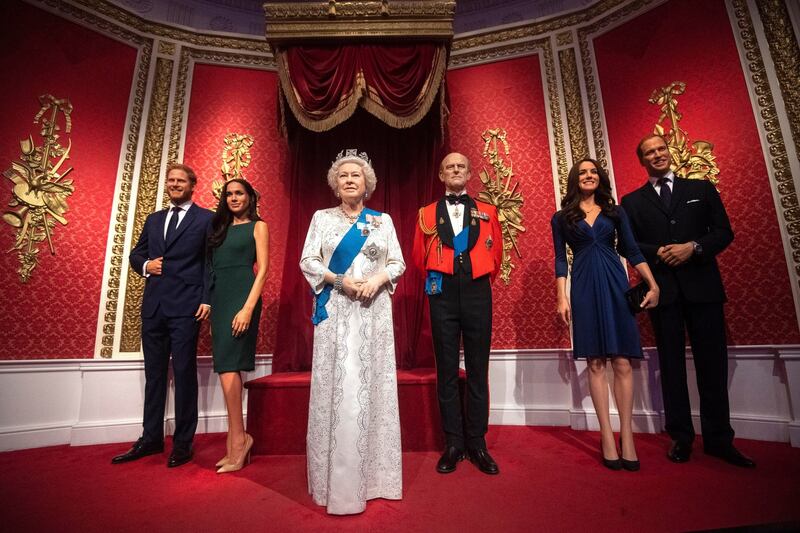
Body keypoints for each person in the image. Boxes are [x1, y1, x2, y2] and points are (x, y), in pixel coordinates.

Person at [620, 134, 755, 467]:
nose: (657, 155)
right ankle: (680, 437)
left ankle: (720, 439)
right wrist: (661, 252)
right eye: (649, 153)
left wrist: (692, 248)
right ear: (642, 161)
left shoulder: (701, 189)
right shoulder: (632, 201)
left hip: (704, 290)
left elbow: (723, 232)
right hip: (662, 293)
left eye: (661, 149)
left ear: (670, 152)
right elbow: (627, 244)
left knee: (713, 366)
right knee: (671, 367)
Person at [300, 150, 405, 515]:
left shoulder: (382, 221)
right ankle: (336, 480)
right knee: (340, 387)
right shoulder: (321, 218)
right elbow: (309, 260)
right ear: (335, 183)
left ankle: (375, 477)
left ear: (367, 184)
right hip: (336, 310)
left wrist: (377, 279)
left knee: (369, 385)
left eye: (355, 176)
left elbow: (397, 262)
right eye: (342, 175)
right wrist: (339, 279)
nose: (349, 180)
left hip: (373, 311)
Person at [551, 158, 659, 471]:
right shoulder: (561, 218)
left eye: (593, 172)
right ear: (575, 180)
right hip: (583, 285)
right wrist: (562, 297)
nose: (588, 175)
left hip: (615, 281)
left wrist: (652, 284)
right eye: (582, 172)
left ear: (600, 178)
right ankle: (607, 436)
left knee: (622, 360)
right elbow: (561, 260)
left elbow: (632, 249)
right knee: (596, 361)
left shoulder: (615, 212)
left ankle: (627, 435)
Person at [112, 163, 213, 467]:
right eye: (170, 180)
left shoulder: (206, 218)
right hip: (153, 307)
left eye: (180, 180)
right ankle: (151, 438)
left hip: (186, 308)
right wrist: (146, 266)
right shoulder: (154, 219)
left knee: (183, 376)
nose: (174, 184)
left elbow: (210, 262)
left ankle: (183, 444)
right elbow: (136, 254)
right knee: (154, 377)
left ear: (192, 185)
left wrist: (207, 300)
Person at [412, 152, 503, 475]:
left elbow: (497, 255)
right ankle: (453, 442)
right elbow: (418, 257)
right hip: (443, 295)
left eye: (460, 166)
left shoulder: (488, 211)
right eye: (449, 166)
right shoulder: (426, 214)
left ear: (469, 173)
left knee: (478, 369)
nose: (455, 170)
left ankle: (477, 441)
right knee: (447, 369)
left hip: (478, 292)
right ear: (441, 174)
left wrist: (473, 277)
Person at [208, 178, 269, 473]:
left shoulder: (259, 226)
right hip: (219, 299)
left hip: (243, 295)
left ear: (249, 197)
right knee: (224, 367)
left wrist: (247, 308)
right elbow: (208, 269)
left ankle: (239, 442)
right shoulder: (217, 229)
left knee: (230, 366)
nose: (234, 198)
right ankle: (237, 439)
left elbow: (263, 271)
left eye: (239, 193)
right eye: (229, 194)